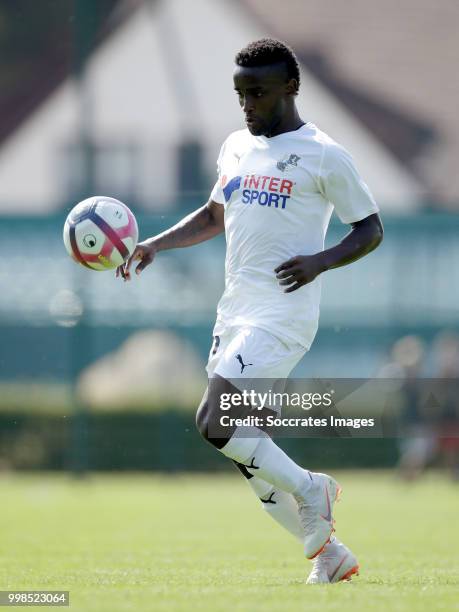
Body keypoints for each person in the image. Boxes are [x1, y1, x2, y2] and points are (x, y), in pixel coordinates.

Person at [117, 38, 383, 584]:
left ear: (290, 87)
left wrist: (322, 261)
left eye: (257, 93)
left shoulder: (325, 154)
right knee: (248, 457)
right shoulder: (237, 146)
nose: (247, 104)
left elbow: (370, 228)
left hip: (281, 315)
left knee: (215, 422)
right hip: (233, 313)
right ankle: (330, 557)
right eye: (240, 94)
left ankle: (315, 488)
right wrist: (155, 246)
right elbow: (215, 215)